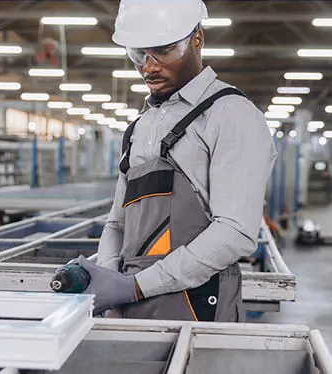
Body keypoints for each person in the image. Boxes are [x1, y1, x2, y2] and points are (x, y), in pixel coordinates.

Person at [72, 0, 276, 322]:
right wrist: (108, 282)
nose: (149, 67)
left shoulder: (231, 115)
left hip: (197, 309)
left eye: (164, 51)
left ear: (198, 39)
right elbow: (117, 222)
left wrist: (135, 287)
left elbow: (234, 232)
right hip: (130, 309)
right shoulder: (141, 126)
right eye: (138, 54)